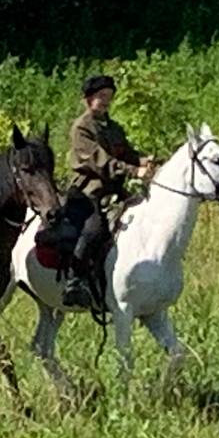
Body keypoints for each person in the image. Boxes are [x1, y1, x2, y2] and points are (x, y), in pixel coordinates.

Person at [64, 74, 155, 308]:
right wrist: (134, 171)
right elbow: (101, 161)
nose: (105, 101)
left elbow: (126, 153)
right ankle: (74, 281)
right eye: (101, 96)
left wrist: (144, 160)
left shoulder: (114, 127)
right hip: (89, 191)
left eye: (109, 97)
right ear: (88, 98)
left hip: (115, 189)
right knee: (93, 229)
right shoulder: (81, 128)